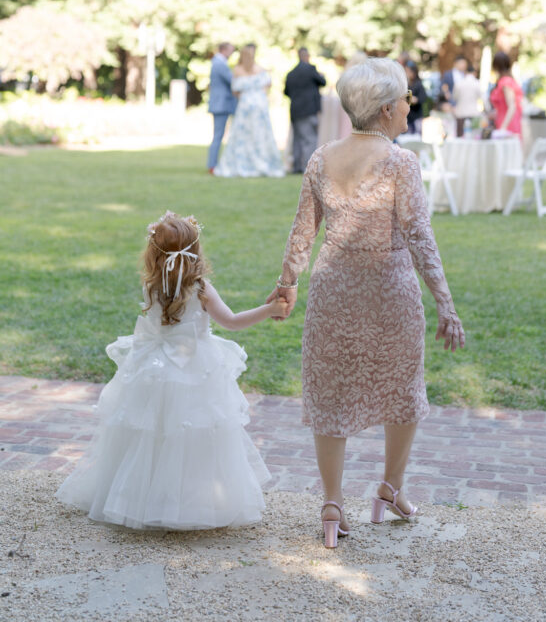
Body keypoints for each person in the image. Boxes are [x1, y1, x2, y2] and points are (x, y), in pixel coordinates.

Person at [266, 58, 465, 548]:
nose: (409, 104)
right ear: (383, 109)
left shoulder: (320, 158)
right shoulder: (400, 161)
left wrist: (287, 283)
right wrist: (446, 303)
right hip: (390, 290)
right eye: (403, 98)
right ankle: (390, 488)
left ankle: (332, 502)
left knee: (331, 395)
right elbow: (420, 236)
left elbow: (301, 233)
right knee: (403, 389)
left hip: (334, 290)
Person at [56, 211, 289, 530]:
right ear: (197, 252)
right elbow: (232, 322)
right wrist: (271, 309)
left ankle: (140, 499)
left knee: (148, 434)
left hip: (151, 368)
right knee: (192, 433)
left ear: (153, 254)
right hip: (195, 370)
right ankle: (192, 502)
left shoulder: (152, 284)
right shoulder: (201, 287)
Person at [214, 44, 284, 177]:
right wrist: (258, 95)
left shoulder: (237, 70)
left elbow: (235, 91)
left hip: (245, 105)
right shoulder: (260, 69)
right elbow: (268, 85)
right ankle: (261, 163)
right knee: (260, 134)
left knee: (242, 135)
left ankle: (244, 164)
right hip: (259, 105)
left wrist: (246, 97)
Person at [284, 48, 327, 173]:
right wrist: (321, 76)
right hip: (309, 109)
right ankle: (308, 166)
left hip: (294, 110)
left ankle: (296, 166)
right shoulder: (311, 70)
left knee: (297, 139)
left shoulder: (290, 73)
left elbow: (286, 92)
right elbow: (323, 82)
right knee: (309, 139)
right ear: (307, 56)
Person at [207, 41, 236, 174]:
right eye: (231, 50)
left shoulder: (217, 62)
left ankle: (214, 164)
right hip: (221, 105)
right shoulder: (220, 63)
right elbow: (233, 81)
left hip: (221, 104)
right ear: (224, 50)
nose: (232, 53)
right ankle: (212, 165)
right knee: (218, 136)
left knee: (218, 136)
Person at [489, 51, 523, 136]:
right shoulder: (506, 81)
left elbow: (512, 106)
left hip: (507, 124)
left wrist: (503, 129)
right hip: (503, 121)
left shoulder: (505, 82)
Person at [453, 61, 482, 136]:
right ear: (474, 73)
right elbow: (482, 98)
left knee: (460, 137)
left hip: (460, 113)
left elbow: (455, 97)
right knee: (474, 137)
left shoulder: (459, 83)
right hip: (473, 113)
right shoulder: (477, 83)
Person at [405, 60, 427, 134]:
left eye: (408, 71)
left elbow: (423, 98)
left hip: (416, 115)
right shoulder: (406, 84)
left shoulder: (418, 84)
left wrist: (414, 99)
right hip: (408, 116)